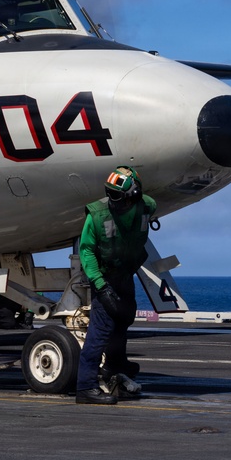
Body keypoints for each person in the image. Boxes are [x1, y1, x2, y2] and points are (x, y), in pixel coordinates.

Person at [75, 166, 156, 405]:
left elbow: (149, 210)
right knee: (99, 333)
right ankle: (85, 387)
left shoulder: (146, 206)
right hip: (106, 278)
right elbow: (87, 251)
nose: (112, 199)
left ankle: (114, 365)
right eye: (109, 193)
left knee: (123, 320)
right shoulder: (97, 216)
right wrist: (101, 286)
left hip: (126, 275)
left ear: (134, 194)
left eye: (117, 194)